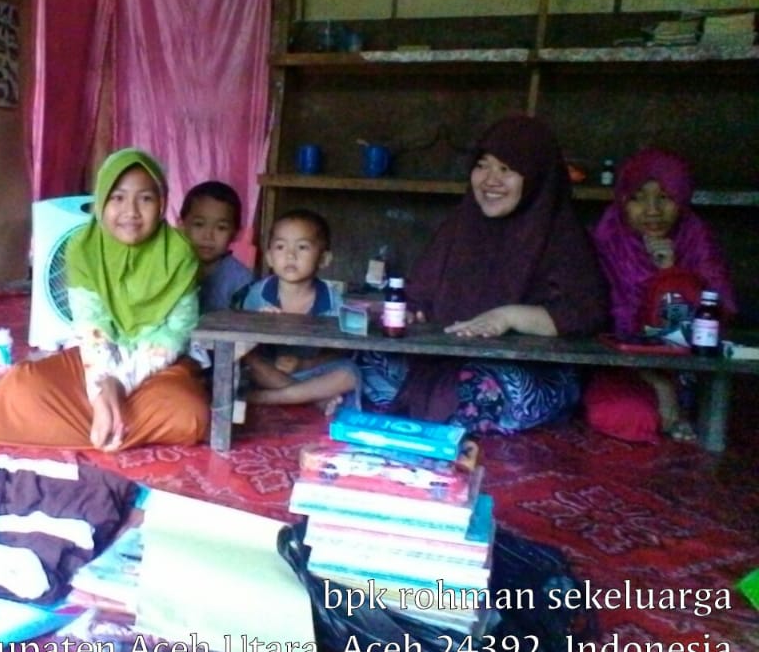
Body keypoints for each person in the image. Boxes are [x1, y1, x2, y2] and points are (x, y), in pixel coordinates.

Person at [0, 147, 208, 452]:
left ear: (162, 203)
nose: (131, 211)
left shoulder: (180, 254)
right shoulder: (83, 248)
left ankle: (94, 422)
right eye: (117, 197)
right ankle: (107, 421)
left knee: (189, 414)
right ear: (101, 201)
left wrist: (117, 385)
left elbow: (174, 335)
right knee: (24, 385)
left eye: (145, 199)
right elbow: (91, 328)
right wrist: (101, 388)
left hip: (158, 366)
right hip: (98, 357)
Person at [359, 114, 609, 433]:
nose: (490, 180)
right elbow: (419, 294)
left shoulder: (561, 237)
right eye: (482, 165)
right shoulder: (460, 226)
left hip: (525, 368)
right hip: (447, 359)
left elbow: (586, 314)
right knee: (370, 360)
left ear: (537, 176)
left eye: (506, 169)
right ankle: (438, 418)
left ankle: (428, 420)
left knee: (482, 386)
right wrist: (410, 313)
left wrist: (509, 317)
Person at [589, 147, 737, 440]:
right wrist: (656, 381)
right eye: (638, 198)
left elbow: (715, 318)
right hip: (619, 365)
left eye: (665, 197)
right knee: (625, 414)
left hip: (689, 368)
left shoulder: (695, 239)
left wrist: (670, 272)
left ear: (681, 198)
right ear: (622, 200)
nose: (652, 210)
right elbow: (592, 327)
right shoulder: (606, 240)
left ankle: (681, 405)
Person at [236, 209, 359, 413]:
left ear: (323, 259)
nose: (290, 255)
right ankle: (312, 399)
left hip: (311, 372)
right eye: (280, 247)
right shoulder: (258, 294)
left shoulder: (333, 300)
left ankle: (263, 398)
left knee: (350, 374)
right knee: (247, 360)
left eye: (302, 247)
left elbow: (340, 351)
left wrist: (304, 364)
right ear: (269, 257)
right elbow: (242, 344)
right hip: (269, 371)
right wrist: (260, 324)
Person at [179, 180, 252, 313]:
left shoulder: (241, 281)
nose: (208, 236)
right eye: (199, 224)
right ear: (181, 226)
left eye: (221, 228)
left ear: (236, 233)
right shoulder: (170, 268)